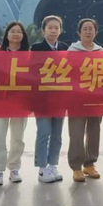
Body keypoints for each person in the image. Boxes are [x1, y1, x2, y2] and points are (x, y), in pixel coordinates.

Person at [0, 21, 30, 186]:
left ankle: (14, 167)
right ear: (6, 34)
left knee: (18, 137)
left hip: (20, 101)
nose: (15, 34)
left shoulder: (29, 55)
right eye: (12, 31)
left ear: (23, 35)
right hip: (0, 101)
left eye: (19, 31)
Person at [67, 18, 103, 182]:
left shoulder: (101, 51)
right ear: (79, 32)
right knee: (76, 133)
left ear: (96, 32)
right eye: (85, 29)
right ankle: (76, 167)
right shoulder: (72, 51)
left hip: (96, 99)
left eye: (91, 29)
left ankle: (89, 164)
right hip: (76, 99)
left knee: (94, 131)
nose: (88, 32)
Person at [31, 15, 68, 183]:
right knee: (44, 132)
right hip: (42, 99)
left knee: (57, 135)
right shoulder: (36, 48)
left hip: (60, 98)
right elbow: (33, 73)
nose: (53, 31)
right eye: (50, 28)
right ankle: (42, 167)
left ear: (60, 30)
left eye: (56, 28)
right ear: (43, 30)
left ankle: (53, 164)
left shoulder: (65, 48)